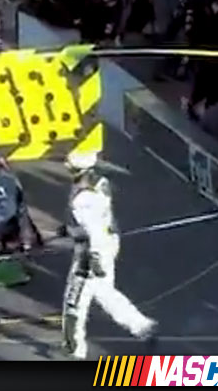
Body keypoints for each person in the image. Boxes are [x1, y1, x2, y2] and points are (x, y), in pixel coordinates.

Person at [60, 152, 158, 360]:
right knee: (104, 292)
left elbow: (92, 228)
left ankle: (74, 349)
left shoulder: (82, 197)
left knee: (74, 301)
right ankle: (142, 326)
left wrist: (93, 256)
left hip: (90, 250)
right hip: (109, 241)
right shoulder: (100, 182)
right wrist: (69, 228)